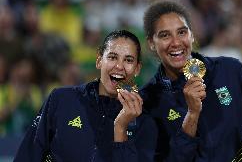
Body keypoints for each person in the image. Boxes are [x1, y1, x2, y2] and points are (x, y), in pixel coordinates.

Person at [139, 0, 242, 162]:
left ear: (192, 35)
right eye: (165, 35)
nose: (176, 42)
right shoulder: (147, 102)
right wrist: (192, 115)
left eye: (182, 32)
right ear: (151, 43)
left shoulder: (230, 69)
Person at [14, 30, 157, 161]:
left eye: (128, 60)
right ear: (99, 60)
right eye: (112, 57)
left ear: (137, 69)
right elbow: (28, 154)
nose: (119, 66)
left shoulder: (144, 120)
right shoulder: (61, 99)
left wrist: (120, 128)